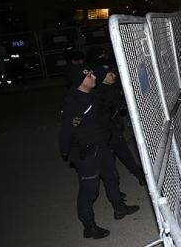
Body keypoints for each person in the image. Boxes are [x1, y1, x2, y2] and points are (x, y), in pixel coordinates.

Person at [59, 67, 139, 239]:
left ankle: (119, 208)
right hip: (87, 153)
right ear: (81, 81)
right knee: (90, 190)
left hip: (103, 147)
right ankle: (89, 226)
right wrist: (66, 152)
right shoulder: (73, 103)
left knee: (112, 177)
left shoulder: (93, 95)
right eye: (89, 76)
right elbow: (66, 131)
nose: (94, 77)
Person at [92, 62, 146, 186]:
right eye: (110, 74)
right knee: (109, 164)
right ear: (103, 77)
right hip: (104, 134)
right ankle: (115, 192)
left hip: (114, 130)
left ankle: (139, 175)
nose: (114, 75)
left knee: (124, 154)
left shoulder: (113, 87)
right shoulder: (97, 95)